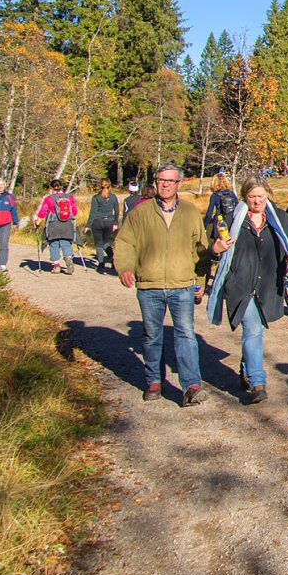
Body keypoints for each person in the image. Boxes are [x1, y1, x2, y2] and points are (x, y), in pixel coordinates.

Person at [112, 163, 211, 406]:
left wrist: (200, 281)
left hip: (182, 284)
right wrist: (124, 268)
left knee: (186, 334)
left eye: (170, 180)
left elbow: (200, 250)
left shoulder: (190, 212)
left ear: (179, 184)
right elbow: (125, 243)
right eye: (161, 180)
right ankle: (154, 380)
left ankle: (192, 385)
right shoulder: (139, 213)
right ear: (155, 183)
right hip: (149, 285)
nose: (165, 184)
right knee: (151, 334)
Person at [206, 179, 288, 405]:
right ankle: (258, 383)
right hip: (241, 284)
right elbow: (211, 246)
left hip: (268, 284)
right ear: (244, 196)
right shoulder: (232, 219)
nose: (257, 201)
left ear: (268, 194)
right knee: (253, 330)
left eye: (261, 196)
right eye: (252, 196)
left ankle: (246, 367)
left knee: (255, 332)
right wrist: (216, 249)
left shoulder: (279, 218)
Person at [34, 177, 80, 274]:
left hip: (53, 224)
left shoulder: (49, 199)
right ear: (61, 187)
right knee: (66, 242)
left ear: (51, 188)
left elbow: (43, 212)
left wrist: (37, 222)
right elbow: (74, 212)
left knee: (54, 243)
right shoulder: (69, 197)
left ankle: (56, 266)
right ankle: (68, 258)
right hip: (67, 223)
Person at [87, 179, 121, 272]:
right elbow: (117, 211)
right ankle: (113, 260)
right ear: (110, 186)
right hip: (109, 221)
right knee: (106, 243)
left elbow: (93, 213)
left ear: (100, 186)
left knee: (98, 243)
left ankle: (101, 264)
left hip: (97, 222)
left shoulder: (96, 197)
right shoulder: (113, 197)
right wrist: (115, 222)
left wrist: (88, 225)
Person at [203, 172, 239, 244]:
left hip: (219, 224)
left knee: (219, 246)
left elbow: (209, 214)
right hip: (232, 222)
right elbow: (238, 208)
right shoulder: (231, 193)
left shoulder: (214, 195)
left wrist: (204, 227)